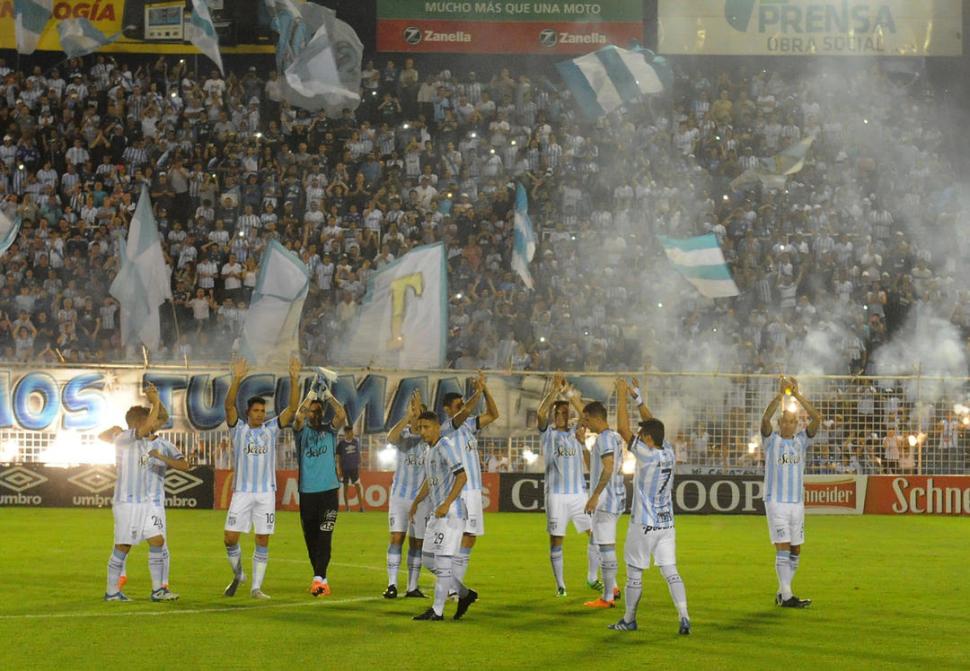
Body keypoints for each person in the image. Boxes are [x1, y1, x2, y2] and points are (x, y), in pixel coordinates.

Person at [610, 378, 690, 634]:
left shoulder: (646, 453)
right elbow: (655, 426)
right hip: (667, 524)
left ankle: (629, 619)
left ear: (647, 439)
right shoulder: (667, 450)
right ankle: (684, 616)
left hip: (644, 523)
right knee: (670, 570)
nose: (640, 437)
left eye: (643, 435)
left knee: (634, 572)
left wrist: (621, 395)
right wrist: (639, 399)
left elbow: (623, 430)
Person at [222, 355, 301, 599]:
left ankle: (256, 587)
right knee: (229, 538)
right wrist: (236, 379)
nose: (260, 414)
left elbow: (292, 409)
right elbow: (228, 406)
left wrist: (294, 378)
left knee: (263, 538)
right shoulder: (239, 430)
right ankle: (238, 574)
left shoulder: (271, 429)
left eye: (262, 411)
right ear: (248, 413)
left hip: (266, 492)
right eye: (256, 411)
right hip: (242, 492)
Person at [99, 384, 180, 602]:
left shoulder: (145, 441)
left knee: (157, 540)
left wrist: (157, 400)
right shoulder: (124, 438)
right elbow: (148, 426)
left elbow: (160, 418)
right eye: (147, 420)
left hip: (145, 504)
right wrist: (153, 401)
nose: (153, 424)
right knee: (123, 546)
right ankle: (111, 592)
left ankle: (158, 590)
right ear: (136, 423)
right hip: (127, 503)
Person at [759, 375, 821, 608]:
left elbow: (817, 418)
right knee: (783, 546)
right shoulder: (770, 441)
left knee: (795, 549)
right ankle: (787, 596)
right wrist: (780, 394)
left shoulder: (801, 441)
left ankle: (782, 593)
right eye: (785, 421)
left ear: (796, 425)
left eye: (792, 422)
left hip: (797, 503)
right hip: (776, 501)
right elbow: (765, 418)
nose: (788, 424)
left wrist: (795, 394)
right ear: (780, 424)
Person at [408, 411, 477, 621]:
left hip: (451, 514)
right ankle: (465, 594)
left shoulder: (446, 445)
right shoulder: (429, 451)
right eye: (420, 428)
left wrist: (447, 503)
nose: (422, 432)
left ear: (437, 427)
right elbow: (430, 482)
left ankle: (437, 611)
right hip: (436, 514)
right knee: (428, 560)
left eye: (426, 427)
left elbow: (462, 476)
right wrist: (416, 501)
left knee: (443, 561)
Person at [438, 371, 499, 598]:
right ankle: (450, 588)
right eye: (458, 404)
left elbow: (494, 414)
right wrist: (478, 391)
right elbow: (466, 413)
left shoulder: (468, 427)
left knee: (469, 538)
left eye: (463, 403)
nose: (462, 406)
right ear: (447, 409)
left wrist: (486, 390)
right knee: (455, 538)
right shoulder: (448, 427)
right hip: (459, 490)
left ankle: (455, 587)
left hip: (473, 491)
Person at [536, 373, 591, 597]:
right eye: (557, 413)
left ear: (569, 416)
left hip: (579, 494)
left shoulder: (576, 434)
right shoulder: (547, 434)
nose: (560, 416)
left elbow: (585, 414)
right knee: (557, 539)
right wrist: (554, 392)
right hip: (556, 495)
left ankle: (595, 576)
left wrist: (567, 391)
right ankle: (560, 585)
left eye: (564, 413)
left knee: (595, 534)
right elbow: (540, 412)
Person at [293, 384, 348, 597]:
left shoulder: (329, 430)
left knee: (325, 534)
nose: (315, 413)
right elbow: (298, 416)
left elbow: (341, 414)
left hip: (328, 493)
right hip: (307, 493)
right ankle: (321, 578)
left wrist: (329, 396)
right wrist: (309, 397)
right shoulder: (300, 431)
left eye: (318, 410)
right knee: (312, 540)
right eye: (311, 411)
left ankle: (318, 579)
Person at [383, 391, 432, 599]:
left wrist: (419, 412)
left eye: (419, 415)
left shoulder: (430, 441)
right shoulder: (403, 438)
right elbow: (390, 437)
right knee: (396, 537)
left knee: (417, 542)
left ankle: (412, 587)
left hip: (420, 499)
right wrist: (406, 417)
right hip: (399, 498)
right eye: (413, 415)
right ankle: (392, 584)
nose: (415, 419)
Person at [581, 399, 625, 609]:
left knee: (606, 546)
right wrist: (582, 445)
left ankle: (607, 597)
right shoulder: (613, 437)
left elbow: (607, 468)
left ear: (594, 417)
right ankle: (612, 588)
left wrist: (595, 495)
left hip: (606, 500)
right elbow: (596, 467)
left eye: (586, 418)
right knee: (600, 543)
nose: (585, 423)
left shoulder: (606, 439)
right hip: (614, 497)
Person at [336, 425, 364, 511]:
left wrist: (360, 463)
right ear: (345, 433)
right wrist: (339, 469)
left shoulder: (356, 442)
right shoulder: (341, 444)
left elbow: (358, 453)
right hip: (345, 469)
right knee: (345, 488)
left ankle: (361, 507)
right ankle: (347, 507)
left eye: (351, 432)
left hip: (354, 468)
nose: (351, 433)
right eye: (349, 432)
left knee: (358, 487)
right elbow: (338, 458)